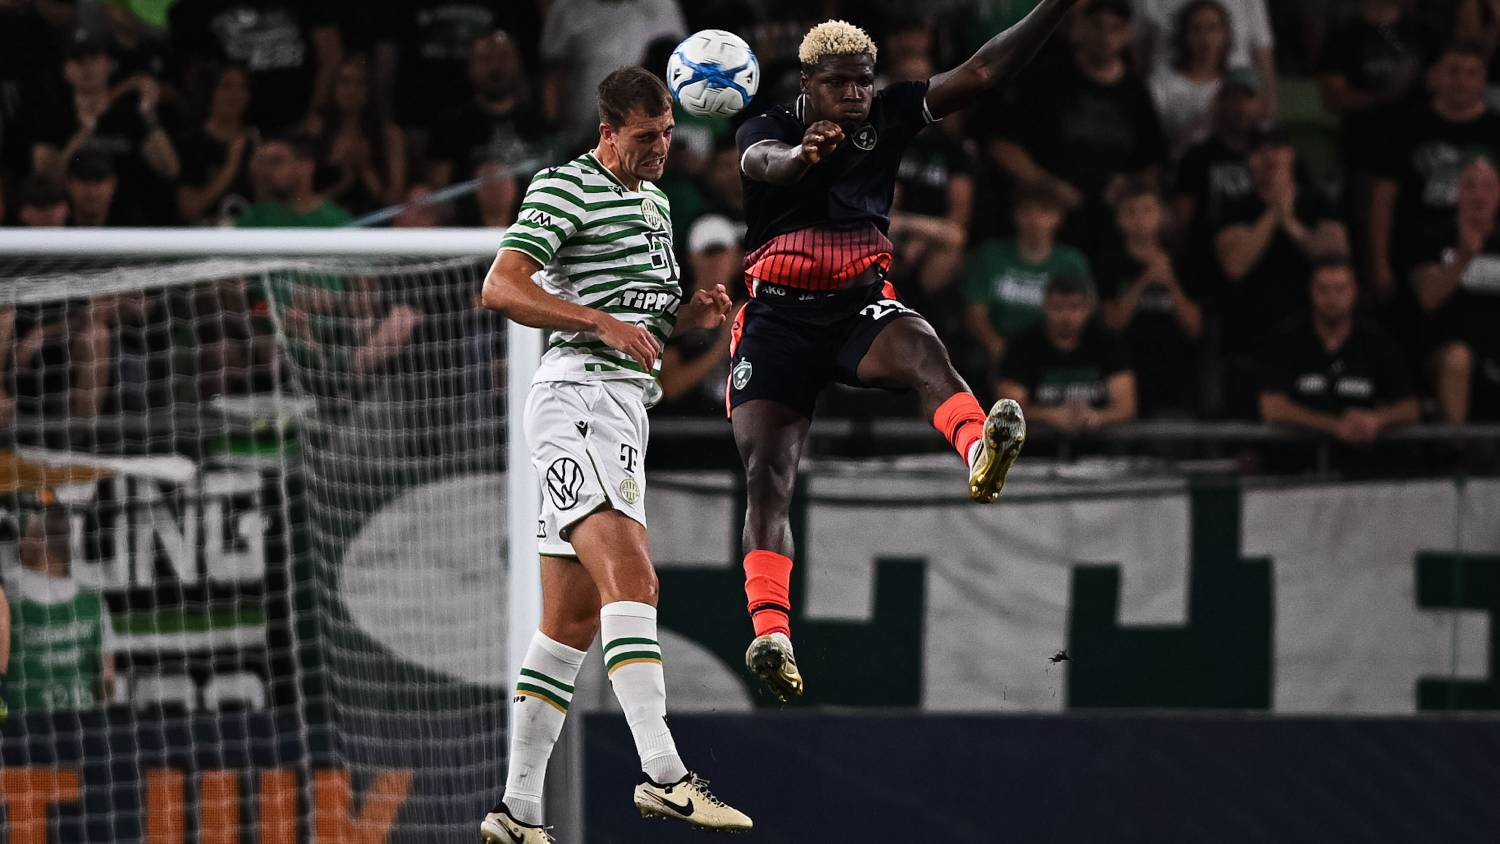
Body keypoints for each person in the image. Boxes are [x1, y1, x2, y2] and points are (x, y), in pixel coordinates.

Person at [731, 9, 1081, 701]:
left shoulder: (889, 113)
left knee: (924, 351)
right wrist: (803, 156)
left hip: (856, 305)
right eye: (839, 84)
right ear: (807, 84)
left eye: (864, 82)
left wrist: (1056, 7)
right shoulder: (768, 126)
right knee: (768, 473)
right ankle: (772, 634)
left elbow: (983, 70)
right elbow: (761, 162)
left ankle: (980, 451)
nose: (856, 94)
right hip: (777, 321)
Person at [477, 67, 751, 841]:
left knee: (570, 620)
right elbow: (501, 287)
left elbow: (642, 320)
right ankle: (665, 775)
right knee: (635, 581)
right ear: (607, 132)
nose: (661, 148)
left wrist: (689, 315)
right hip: (577, 400)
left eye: (668, 134)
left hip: (623, 409)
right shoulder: (565, 186)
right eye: (645, 137)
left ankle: (517, 810)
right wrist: (595, 321)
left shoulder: (656, 202)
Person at [992, 0, 1166, 250]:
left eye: (1115, 28)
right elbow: (1002, 145)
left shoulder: (1136, 91)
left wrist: (1129, 187)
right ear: (1081, 26)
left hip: (1114, 221)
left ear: (1127, 34)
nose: (1105, 37)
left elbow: (1154, 161)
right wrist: (1048, 185)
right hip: (1050, 213)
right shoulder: (1047, 77)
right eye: (1098, 26)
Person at [1368, 42, 1500, 299]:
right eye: (1453, 71)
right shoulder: (1405, 127)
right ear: (1435, 76)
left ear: (1483, 81)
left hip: (1488, 252)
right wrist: (1379, 261)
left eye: (1471, 73)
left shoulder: (1496, 130)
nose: (1461, 81)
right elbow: (1383, 197)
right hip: (1415, 249)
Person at [1258, 257, 1419, 467]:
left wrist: (1377, 419)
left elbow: (1410, 408)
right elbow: (1272, 407)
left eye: (1340, 289)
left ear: (1354, 291)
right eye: (1323, 289)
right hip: (1295, 468)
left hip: (1363, 467)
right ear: (1311, 291)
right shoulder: (1287, 340)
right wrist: (1333, 426)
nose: (1332, 298)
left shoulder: (1377, 343)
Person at [1097, 179, 1203, 416]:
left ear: (1161, 215)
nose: (1140, 220)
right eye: (1131, 212)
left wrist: (1171, 283)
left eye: (1148, 210)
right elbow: (1112, 323)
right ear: (1119, 219)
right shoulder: (1110, 264)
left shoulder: (1181, 260)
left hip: (1175, 378)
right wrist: (1144, 280)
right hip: (1125, 375)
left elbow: (1195, 327)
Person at [1410, 156, 1500, 425]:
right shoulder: (1434, 237)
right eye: (1470, 186)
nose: (1479, 195)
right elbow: (1428, 298)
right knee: (1458, 359)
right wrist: (1463, 258)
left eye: (1487, 186)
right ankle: (1453, 447)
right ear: (1457, 192)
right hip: (1446, 351)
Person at [5, 505, 118, 715]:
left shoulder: (9, 596)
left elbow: (107, 678)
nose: (20, 543)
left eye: (25, 535)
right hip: (75, 722)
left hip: (32, 723)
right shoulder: (93, 602)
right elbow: (107, 679)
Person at [963, 182, 1091, 366]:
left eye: (1044, 211)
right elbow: (974, 314)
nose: (1035, 220)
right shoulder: (990, 254)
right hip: (996, 354)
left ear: (1058, 218)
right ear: (1015, 215)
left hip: (1052, 356)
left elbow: (1083, 314)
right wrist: (999, 348)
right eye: (1026, 211)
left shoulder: (1072, 262)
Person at [995, 274, 1136, 432]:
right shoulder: (1021, 347)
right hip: (1036, 441)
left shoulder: (1108, 343)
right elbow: (1008, 410)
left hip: (1101, 440)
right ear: (1045, 308)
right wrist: (1051, 415)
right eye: (1058, 308)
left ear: (1087, 309)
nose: (1066, 316)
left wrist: (1096, 416)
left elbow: (1126, 407)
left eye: (1074, 308)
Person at [659, 214, 744, 415]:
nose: (716, 262)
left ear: (736, 257)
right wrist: (723, 345)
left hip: (740, 426)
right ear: (691, 258)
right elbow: (669, 386)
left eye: (722, 252)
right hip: (688, 427)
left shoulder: (751, 306)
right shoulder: (676, 308)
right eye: (708, 253)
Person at [1136, 0, 1277, 117]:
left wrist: (1269, 98)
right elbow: (1141, 43)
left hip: (1236, 91)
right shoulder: (1158, 88)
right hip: (1170, 94)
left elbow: (1261, 43)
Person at [307, 55, 406, 213]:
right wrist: (343, 182)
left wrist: (365, 170)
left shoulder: (390, 136)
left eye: (361, 83)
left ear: (371, 89)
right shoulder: (316, 130)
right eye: (344, 82)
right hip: (325, 220)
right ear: (334, 87)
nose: (351, 90)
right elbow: (302, 202)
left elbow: (395, 202)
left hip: (373, 218)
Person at [1148, 0, 1233, 158]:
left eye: (1212, 28)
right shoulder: (1162, 84)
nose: (1205, 38)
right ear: (1184, 35)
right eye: (1196, 29)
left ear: (1225, 35)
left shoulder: (1236, 85)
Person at [176, 63, 257, 225]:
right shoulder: (191, 143)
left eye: (243, 88)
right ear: (211, 92)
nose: (235, 95)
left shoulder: (257, 141)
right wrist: (230, 166)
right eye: (226, 86)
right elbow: (189, 209)